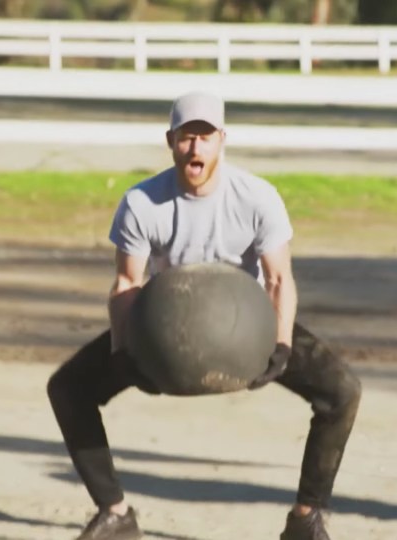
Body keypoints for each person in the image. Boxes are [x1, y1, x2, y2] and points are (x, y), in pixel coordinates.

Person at [46, 91, 362, 540]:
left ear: (222, 141)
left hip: (249, 330)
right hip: (164, 332)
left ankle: (305, 520)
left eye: (205, 137)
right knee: (68, 388)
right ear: (170, 140)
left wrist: (283, 344)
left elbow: (278, 279)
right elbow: (127, 284)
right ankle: (116, 515)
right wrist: (122, 351)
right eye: (186, 137)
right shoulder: (142, 203)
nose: (196, 148)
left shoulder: (256, 197)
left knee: (343, 391)